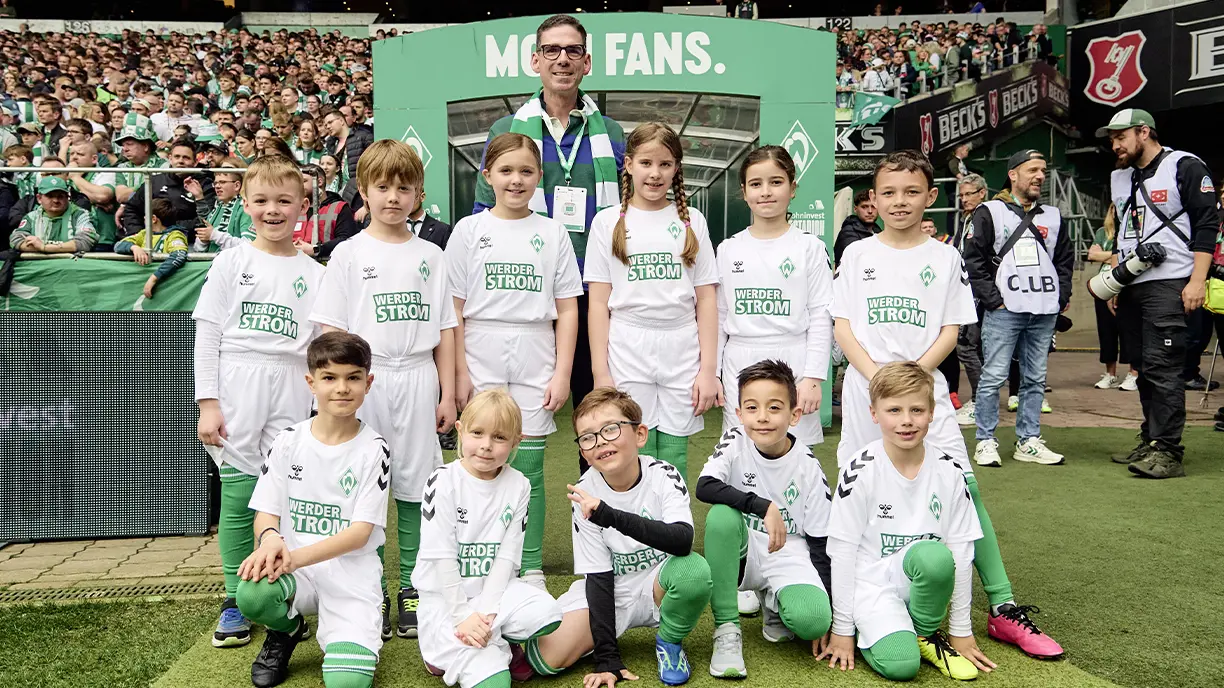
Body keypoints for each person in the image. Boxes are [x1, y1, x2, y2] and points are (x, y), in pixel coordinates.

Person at [832, 150, 1064, 660]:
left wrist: (910, 383)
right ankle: (859, 607)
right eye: (888, 193)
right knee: (854, 497)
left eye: (911, 192)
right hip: (867, 394)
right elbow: (842, 325)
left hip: (923, 398)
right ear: (873, 198)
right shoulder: (857, 255)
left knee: (964, 490)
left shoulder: (945, 257)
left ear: (931, 198)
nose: (899, 202)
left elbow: (952, 329)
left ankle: (1002, 608)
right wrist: (880, 382)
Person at [309, 139, 458, 640]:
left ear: (418, 194)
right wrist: (335, 394)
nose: (393, 197)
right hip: (365, 383)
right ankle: (363, 590)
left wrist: (450, 394)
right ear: (364, 192)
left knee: (417, 489)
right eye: (382, 187)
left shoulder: (431, 256)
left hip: (418, 377)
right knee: (359, 490)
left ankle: (414, 588)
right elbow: (330, 333)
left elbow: (447, 331)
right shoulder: (348, 254)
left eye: (404, 188)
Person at [473, 14, 626, 475]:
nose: (563, 59)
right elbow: (484, 215)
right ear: (535, 60)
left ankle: (598, 521)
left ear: (587, 62)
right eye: (553, 50)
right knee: (506, 420)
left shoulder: (613, 133)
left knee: (597, 415)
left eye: (573, 51)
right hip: (530, 297)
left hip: (595, 293)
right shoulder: (506, 127)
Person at [192, 154, 326, 652]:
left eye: (284, 201)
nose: (274, 210)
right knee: (236, 493)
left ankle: (276, 585)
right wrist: (209, 402)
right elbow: (207, 334)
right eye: (263, 201)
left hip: (291, 382)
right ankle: (233, 598)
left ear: (301, 206)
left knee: (283, 492)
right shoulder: (232, 260)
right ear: (246, 204)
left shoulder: (314, 273)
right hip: (238, 380)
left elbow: (319, 347)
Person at [446, 133, 583, 587]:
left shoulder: (552, 232)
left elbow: (567, 308)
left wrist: (562, 372)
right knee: (481, 461)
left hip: (535, 351)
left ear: (539, 177)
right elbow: (456, 309)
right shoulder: (469, 231)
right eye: (506, 170)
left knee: (528, 468)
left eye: (526, 171)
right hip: (480, 348)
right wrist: (460, 373)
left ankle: (529, 567)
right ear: (487, 176)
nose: (516, 180)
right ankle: (479, 560)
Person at [520, 388, 712, 687]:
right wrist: (607, 658)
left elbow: (682, 540)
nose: (600, 442)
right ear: (582, 450)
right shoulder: (585, 491)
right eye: (588, 437)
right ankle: (593, 640)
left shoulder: (664, 475)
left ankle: (669, 642)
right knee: (544, 660)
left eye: (610, 429)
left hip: (659, 584)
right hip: (613, 590)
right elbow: (598, 576)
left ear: (639, 434)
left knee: (693, 571)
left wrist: (610, 515)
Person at [235, 331, 389, 688]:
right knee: (252, 593)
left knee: (347, 683)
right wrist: (271, 538)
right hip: (297, 570)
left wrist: (292, 557)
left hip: (349, 577)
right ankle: (286, 630)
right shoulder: (288, 440)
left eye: (353, 378)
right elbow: (265, 511)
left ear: (368, 382)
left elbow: (359, 534)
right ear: (311, 382)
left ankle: (349, 634)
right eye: (329, 378)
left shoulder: (374, 449)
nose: (342, 388)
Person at [821, 362, 985, 681]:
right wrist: (843, 628)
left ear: (932, 412)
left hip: (919, 579)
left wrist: (961, 630)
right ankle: (892, 630)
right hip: (872, 586)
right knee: (901, 666)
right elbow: (841, 552)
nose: (906, 421)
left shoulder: (950, 471)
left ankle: (924, 633)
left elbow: (963, 552)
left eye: (916, 410)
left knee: (935, 557)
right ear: (874, 413)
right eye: (894, 410)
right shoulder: (858, 470)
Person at [586, 122, 721, 479]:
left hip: (681, 343)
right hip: (628, 343)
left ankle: (670, 531)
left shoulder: (693, 220)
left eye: (665, 164)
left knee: (675, 446)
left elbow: (706, 300)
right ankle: (635, 531)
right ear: (628, 165)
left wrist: (709, 370)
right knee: (631, 439)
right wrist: (601, 371)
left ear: (677, 168)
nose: (655, 173)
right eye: (646, 163)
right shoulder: (605, 223)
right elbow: (598, 303)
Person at [414, 389, 564, 688]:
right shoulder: (442, 481)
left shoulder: (519, 485)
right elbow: (442, 556)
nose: (486, 446)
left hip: (493, 596)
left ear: (516, 442)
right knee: (495, 682)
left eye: (499, 437)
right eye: (477, 433)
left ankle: (491, 640)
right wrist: (461, 617)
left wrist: (484, 614)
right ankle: (456, 647)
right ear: (460, 431)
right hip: (445, 599)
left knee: (547, 612)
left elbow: (507, 556)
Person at [1099, 109, 1219, 478]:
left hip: (1171, 280)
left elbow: (1207, 224)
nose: (1115, 146)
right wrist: (1117, 280)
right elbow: (1123, 231)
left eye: (1121, 138)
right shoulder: (1119, 177)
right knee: (1142, 366)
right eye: (1111, 140)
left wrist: (1197, 281)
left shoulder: (1184, 165)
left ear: (1144, 132)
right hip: (1132, 281)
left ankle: (1168, 451)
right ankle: (1151, 438)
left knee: (1164, 367)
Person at [697, 360, 833, 678]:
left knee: (813, 620)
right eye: (752, 407)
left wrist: (832, 611)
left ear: (794, 415)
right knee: (721, 517)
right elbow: (705, 486)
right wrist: (763, 506)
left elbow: (821, 543)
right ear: (740, 413)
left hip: (789, 554)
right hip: (744, 553)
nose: (762, 417)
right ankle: (726, 631)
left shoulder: (808, 466)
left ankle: (774, 603)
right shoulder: (735, 441)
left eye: (774, 407)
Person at [717, 145, 832, 451]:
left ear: (793, 188)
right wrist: (715, 373)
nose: (765, 192)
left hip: (793, 358)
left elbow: (821, 315)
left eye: (776, 182)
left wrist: (813, 377)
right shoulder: (728, 249)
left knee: (795, 452)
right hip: (740, 359)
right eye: (756, 184)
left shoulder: (809, 247)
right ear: (743, 192)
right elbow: (718, 316)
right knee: (741, 451)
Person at [963, 149, 1072, 467]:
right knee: (993, 375)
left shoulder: (1053, 216)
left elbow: (1064, 260)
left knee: (1036, 377)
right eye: (1033, 170)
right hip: (1004, 309)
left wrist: (1060, 297)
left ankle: (1029, 440)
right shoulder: (989, 212)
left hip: (1043, 309)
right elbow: (973, 260)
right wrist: (992, 299)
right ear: (1013, 174)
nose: (1040, 176)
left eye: (1043, 171)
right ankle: (985, 440)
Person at [1088, 203, 1138, 391]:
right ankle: (1110, 374)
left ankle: (1133, 373)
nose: (1118, 212)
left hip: (1128, 285)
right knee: (1106, 331)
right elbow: (1092, 255)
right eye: (1115, 208)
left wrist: (1105, 255)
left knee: (1129, 330)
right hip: (1104, 284)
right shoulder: (1103, 232)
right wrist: (1113, 256)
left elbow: (1133, 257)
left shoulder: (1136, 231)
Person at [121, 137, 212, 237]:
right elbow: (132, 209)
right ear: (170, 159)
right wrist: (138, 235)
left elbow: (207, 219)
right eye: (177, 157)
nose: (180, 161)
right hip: (150, 240)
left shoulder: (205, 185)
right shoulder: (154, 181)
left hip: (188, 241)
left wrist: (167, 230)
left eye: (186, 158)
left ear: (195, 163)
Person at [953, 174, 988, 426]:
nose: (964, 199)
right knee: (973, 348)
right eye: (961, 195)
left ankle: (980, 402)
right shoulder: (967, 219)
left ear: (982, 193)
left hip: (979, 292)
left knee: (966, 345)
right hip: (968, 290)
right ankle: (981, 400)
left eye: (969, 194)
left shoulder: (983, 217)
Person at [115, 198, 189, 299]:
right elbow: (118, 246)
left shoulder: (175, 235)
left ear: (153, 219)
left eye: (146, 215)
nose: (144, 218)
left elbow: (179, 255)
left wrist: (154, 278)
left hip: (166, 290)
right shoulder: (144, 234)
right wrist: (134, 247)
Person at [9, 175, 97, 254]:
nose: (56, 200)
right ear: (39, 198)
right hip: (38, 264)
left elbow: (86, 241)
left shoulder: (81, 214)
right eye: (50, 196)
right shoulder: (31, 217)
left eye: (60, 196)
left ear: (68, 197)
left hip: (72, 264)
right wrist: (39, 248)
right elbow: (15, 239)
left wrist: (44, 247)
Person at [293, 163, 359, 262]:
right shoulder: (294, 209)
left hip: (327, 268)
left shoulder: (340, 208)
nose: (299, 186)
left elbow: (347, 240)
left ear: (319, 182)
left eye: (304, 181)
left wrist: (316, 249)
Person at [190, 160, 254, 252]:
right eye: (215, 183)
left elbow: (249, 246)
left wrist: (215, 235)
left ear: (237, 185)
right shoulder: (217, 208)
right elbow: (198, 249)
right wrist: (203, 241)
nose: (217, 186)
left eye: (222, 182)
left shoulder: (246, 208)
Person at [66, 140, 118, 251]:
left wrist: (75, 177)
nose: (74, 158)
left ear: (94, 159)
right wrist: (91, 199)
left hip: (101, 240)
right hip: (71, 239)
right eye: (72, 154)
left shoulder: (105, 173)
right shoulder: (65, 177)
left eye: (80, 154)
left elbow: (102, 196)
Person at [323, 108, 373, 181]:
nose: (328, 126)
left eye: (330, 122)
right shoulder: (331, 143)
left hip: (358, 186)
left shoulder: (363, 137)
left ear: (341, 121)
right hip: (337, 187)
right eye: (326, 125)